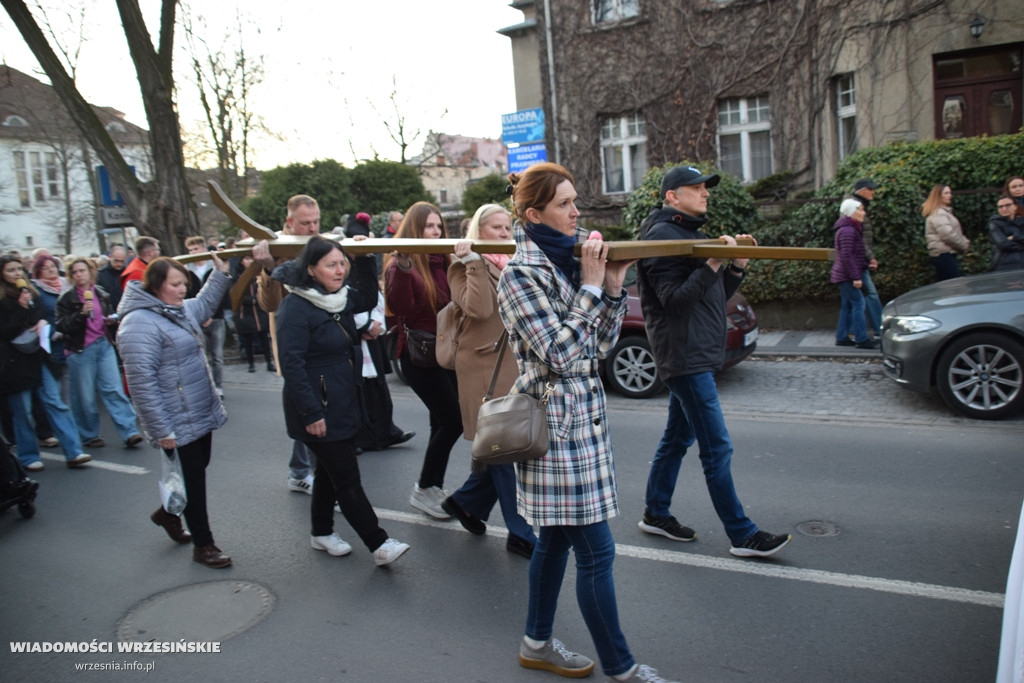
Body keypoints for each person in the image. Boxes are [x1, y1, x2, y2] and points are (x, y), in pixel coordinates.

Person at [498, 163, 677, 683]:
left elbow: (596, 347)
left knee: (554, 541)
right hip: (554, 427)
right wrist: (593, 287)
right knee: (597, 551)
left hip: (582, 419)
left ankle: (535, 642)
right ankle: (622, 667)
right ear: (534, 214)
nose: (577, 212)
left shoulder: (567, 264)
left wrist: (614, 290)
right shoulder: (521, 274)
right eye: (564, 205)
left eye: (576, 201)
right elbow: (557, 353)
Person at [637, 165, 791, 560]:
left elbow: (711, 295)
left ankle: (656, 513)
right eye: (696, 187)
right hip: (683, 355)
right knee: (716, 447)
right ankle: (742, 533)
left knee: (677, 439)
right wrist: (713, 262)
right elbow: (674, 302)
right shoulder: (661, 238)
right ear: (672, 196)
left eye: (706, 188)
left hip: (697, 352)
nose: (705, 193)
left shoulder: (690, 234)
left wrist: (734, 265)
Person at [275, 235, 410, 566]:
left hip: (343, 399)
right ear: (311, 270)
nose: (339, 271)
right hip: (316, 406)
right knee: (347, 478)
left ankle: (321, 532)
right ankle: (378, 543)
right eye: (331, 265)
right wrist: (310, 412)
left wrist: (363, 257)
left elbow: (365, 295)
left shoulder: (339, 298)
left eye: (342, 263)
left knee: (328, 471)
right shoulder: (295, 307)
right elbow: (291, 366)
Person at [117, 255, 233, 568]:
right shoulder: (137, 324)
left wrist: (221, 273)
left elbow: (205, 303)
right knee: (194, 481)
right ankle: (204, 545)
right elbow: (142, 384)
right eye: (175, 284)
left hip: (197, 408)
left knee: (197, 469)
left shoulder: (177, 310)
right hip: (174, 417)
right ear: (155, 286)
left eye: (184, 283)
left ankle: (168, 514)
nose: (182, 290)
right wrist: (161, 430)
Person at [441, 204, 537, 558]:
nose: (503, 233)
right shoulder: (463, 265)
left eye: (507, 227)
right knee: (504, 447)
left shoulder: (511, 262)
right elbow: (480, 309)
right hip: (483, 367)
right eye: (495, 228)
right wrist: (472, 263)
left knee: (502, 443)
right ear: (477, 232)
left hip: (509, 365)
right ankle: (520, 531)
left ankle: (465, 503)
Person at [384, 202, 463, 520]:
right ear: (415, 230)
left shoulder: (444, 261)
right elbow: (398, 307)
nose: (435, 232)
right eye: (429, 227)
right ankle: (424, 487)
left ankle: (432, 487)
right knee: (453, 421)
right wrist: (402, 268)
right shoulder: (402, 263)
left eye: (438, 227)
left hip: (447, 354)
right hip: (419, 357)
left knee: (440, 423)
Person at [252, 194, 322, 496]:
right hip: (297, 348)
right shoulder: (276, 249)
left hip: (325, 345)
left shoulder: (322, 244)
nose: (312, 227)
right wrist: (268, 270)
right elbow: (268, 304)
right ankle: (303, 473)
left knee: (319, 411)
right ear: (289, 222)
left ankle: (308, 470)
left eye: (316, 221)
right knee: (306, 410)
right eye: (305, 223)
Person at [0, 254, 91, 471]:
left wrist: (39, 320)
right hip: (14, 361)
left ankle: (74, 451)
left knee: (55, 402)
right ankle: (29, 456)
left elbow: (41, 314)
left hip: (39, 355)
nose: (16, 274)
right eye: (11, 270)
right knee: (23, 410)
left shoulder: (31, 292)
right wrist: (21, 310)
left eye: (19, 269)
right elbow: (5, 331)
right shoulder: (4, 299)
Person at [55, 257, 143, 449]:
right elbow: (62, 325)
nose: (79, 275)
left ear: (90, 272)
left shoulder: (101, 294)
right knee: (85, 397)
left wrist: (111, 322)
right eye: (75, 272)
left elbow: (106, 315)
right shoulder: (67, 298)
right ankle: (89, 435)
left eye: (82, 271)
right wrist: (80, 314)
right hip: (81, 350)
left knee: (113, 390)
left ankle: (129, 431)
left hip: (103, 345)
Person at [830, 199, 879, 349]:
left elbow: (852, 254)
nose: (863, 213)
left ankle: (842, 336)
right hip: (847, 275)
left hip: (844, 274)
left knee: (848, 305)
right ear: (852, 212)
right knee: (859, 304)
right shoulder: (848, 230)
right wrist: (856, 277)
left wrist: (865, 264)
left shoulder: (849, 228)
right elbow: (847, 256)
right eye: (860, 210)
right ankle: (861, 338)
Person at [185, 237, 227, 399]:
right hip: (196, 320)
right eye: (190, 250)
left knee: (217, 355)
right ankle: (206, 387)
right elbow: (187, 296)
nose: (193, 253)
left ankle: (219, 386)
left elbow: (222, 292)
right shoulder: (186, 270)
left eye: (196, 249)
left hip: (216, 318)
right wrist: (199, 316)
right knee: (202, 356)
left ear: (203, 249)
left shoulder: (214, 266)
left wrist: (210, 314)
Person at [844, 178, 882, 337]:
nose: (873, 192)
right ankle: (879, 328)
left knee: (855, 299)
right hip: (857, 260)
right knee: (868, 295)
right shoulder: (854, 207)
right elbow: (856, 238)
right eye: (870, 189)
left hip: (858, 259)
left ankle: (851, 333)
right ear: (861, 191)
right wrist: (870, 257)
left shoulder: (856, 205)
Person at [233, 254, 275, 372]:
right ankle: (251, 364)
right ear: (241, 261)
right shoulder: (237, 276)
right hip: (244, 313)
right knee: (248, 341)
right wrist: (249, 300)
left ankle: (269, 362)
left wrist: (258, 299)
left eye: (251, 258)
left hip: (260, 311)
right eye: (246, 258)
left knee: (264, 339)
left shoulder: (260, 273)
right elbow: (234, 293)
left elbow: (267, 288)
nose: (249, 261)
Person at [923, 184, 970, 281]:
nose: (950, 195)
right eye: (946, 193)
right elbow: (948, 235)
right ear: (938, 196)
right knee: (953, 286)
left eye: (950, 193)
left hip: (943, 254)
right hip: (944, 254)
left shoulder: (941, 212)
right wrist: (964, 245)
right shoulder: (939, 214)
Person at [987, 195, 1024, 271]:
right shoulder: (994, 224)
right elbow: (1004, 244)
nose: (1004, 209)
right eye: (1000, 207)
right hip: (1005, 264)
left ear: (1015, 206)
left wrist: (1014, 237)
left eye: (1008, 205)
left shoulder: (1022, 222)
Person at [96, 245, 127, 310]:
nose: (119, 264)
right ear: (110, 257)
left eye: (122, 261)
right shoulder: (100, 275)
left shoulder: (128, 273)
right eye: (116, 261)